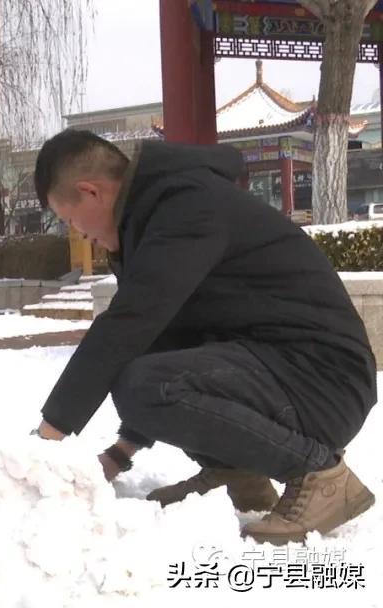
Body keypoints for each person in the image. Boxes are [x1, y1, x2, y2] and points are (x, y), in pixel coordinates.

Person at [30, 129, 376, 545]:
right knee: (148, 372)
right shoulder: (154, 220)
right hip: (284, 370)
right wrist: (121, 453)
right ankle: (238, 474)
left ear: (91, 192)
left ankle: (319, 474)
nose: (79, 233)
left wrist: (48, 438)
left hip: (322, 379)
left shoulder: (187, 206)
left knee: (146, 383)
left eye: (70, 220)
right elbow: (161, 339)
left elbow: (128, 325)